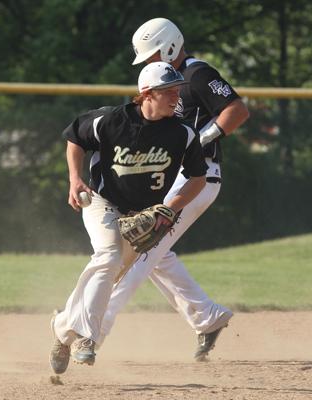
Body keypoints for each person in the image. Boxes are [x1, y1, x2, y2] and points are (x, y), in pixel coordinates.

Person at [98, 18, 249, 360]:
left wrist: (200, 140)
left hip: (197, 177)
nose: (150, 63)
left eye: (152, 56)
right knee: (156, 251)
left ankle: (93, 329)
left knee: (141, 250)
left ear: (169, 46)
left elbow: (237, 111)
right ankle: (206, 317)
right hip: (179, 175)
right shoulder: (166, 81)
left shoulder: (197, 74)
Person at [49, 62, 208, 374]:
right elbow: (74, 139)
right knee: (107, 257)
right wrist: (73, 179)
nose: (176, 96)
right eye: (169, 91)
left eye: (177, 90)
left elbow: (198, 178)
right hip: (102, 201)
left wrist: (170, 208)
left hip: (143, 216)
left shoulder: (182, 134)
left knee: (108, 274)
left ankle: (62, 328)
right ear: (147, 94)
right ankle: (87, 340)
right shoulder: (110, 120)